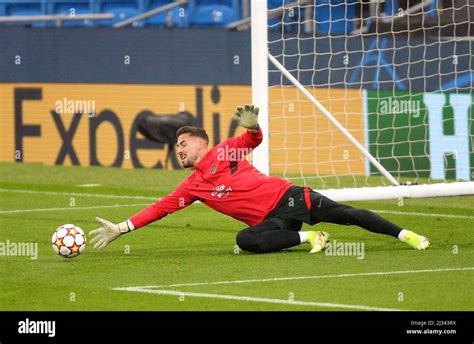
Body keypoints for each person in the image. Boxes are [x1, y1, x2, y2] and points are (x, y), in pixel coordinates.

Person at [90, 105, 430, 253]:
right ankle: (311, 238)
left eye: (182, 143)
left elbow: (252, 140)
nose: (178, 150)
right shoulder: (192, 186)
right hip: (273, 221)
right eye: (175, 146)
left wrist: (252, 126)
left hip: (289, 198)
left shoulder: (225, 152)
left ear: (201, 142)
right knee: (246, 241)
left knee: (349, 215)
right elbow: (160, 209)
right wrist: (121, 228)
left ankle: (406, 235)